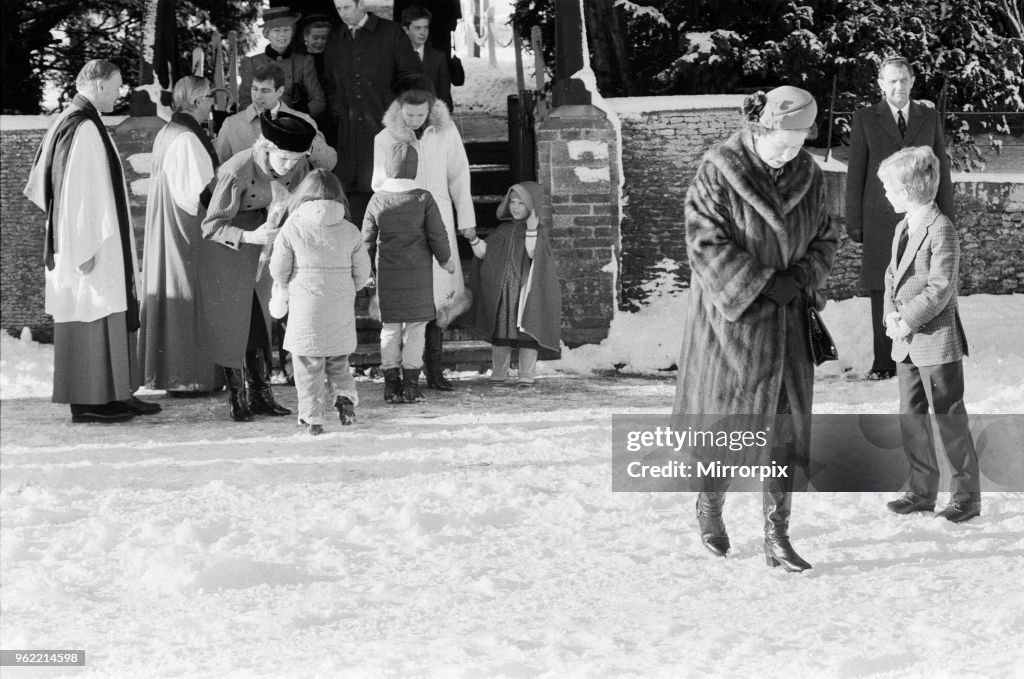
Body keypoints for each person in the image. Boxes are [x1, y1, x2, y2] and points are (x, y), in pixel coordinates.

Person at [674, 87, 838, 572]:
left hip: (788, 323)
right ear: (761, 127)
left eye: (800, 141)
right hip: (732, 327)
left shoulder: (809, 173)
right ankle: (709, 506)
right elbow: (702, 239)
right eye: (784, 141)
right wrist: (762, 283)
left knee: (785, 433)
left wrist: (802, 277)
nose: (792, 151)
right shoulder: (720, 169)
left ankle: (777, 536)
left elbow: (827, 235)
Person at [24, 59, 161, 423]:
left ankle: (115, 393)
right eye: (116, 86)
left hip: (99, 240)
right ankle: (90, 401)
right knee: (93, 311)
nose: (119, 93)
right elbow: (77, 193)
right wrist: (82, 247)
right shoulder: (82, 127)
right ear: (98, 85)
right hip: (90, 245)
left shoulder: (76, 120)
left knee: (106, 310)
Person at [878, 146, 981, 523]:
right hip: (905, 342)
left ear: (907, 190)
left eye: (889, 188)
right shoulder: (902, 227)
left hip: (936, 341)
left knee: (949, 418)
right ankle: (921, 492)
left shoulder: (942, 229)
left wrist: (906, 320)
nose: (885, 195)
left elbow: (940, 289)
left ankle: (966, 498)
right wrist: (891, 314)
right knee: (912, 416)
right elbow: (892, 277)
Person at [201, 111, 317, 422]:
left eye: (296, 160)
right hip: (230, 241)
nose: (290, 166)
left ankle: (262, 393)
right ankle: (237, 397)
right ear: (266, 147)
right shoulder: (237, 170)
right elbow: (210, 227)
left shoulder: (298, 165)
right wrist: (250, 236)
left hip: (268, 238)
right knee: (233, 320)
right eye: (284, 159)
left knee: (259, 319)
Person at [845, 56, 954, 381]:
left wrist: (946, 217)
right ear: (880, 84)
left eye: (903, 80)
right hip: (881, 216)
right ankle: (884, 361)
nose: (898, 87)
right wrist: (855, 221)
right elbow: (856, 172)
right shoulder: (865, 118)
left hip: (922, 216)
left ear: (912, 81)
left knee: (921, 281)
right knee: (884, 285)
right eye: (891, 81)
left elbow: (941, 172)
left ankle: (922, 354)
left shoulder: (929, 117)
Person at [372, 80, 475, 391]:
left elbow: (459, 175)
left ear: (430, 111)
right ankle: (403, 372)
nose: (414, 121)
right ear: (399, 111)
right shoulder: (384, 137)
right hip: (404, 222)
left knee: (440, 295)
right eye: (409, 115)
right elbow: (379, 182)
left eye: (420, 115)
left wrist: (466, 219)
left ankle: (434, 369)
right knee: (409, 297)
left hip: (440, 217)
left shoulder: (446, 132)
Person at [268, 170, 371, 435]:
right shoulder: (350, 229)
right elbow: (362, 274)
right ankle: (346, 400)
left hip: (305, 308)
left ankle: (313, 418)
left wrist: (287, 285)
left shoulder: (293, 226)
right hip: (339, 307)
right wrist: (347, 289)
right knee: (338, 361)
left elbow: (279, 269)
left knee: (308, 366)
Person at [138, 75, 221, 396]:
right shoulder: (187, 138)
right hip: (187, 229)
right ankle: (190, 375)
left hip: (168, 226)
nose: (213, 103)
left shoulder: (169, 133)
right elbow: (199, 191)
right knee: (190, 298)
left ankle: (174, 372)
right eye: (210, 97)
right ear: (197, 101)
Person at [362, 142, 455, 403]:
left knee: (390, 330)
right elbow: (437, 234)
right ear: (414, 169)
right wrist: (446, 260)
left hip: (388, 276)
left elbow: (366, 240)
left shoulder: (377, 199)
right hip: (418, 277)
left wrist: (365, 270)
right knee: (416, 329)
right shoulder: (423, 198)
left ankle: (391, 386)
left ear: (388, 169)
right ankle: (412, 386)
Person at [322, 0, 423, 223]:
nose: (342, 14)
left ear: (361, 4)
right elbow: (329, 83)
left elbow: (411, 77)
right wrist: (337, 111)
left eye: (347, 7)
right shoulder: (336, 39)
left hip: (385, 128)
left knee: (386, 190)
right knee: (352, 197)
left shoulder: (391, 33)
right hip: (348, 136)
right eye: (338, 9)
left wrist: (401, 116)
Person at [467, 181, 562, 386]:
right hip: (504, 291)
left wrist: (531, 229)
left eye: (521, 203)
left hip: (525, 290)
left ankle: (526, 374)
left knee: (527, 328)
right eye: (512, 202)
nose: (515, 207)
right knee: (501, 329)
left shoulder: (538, 231)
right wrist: (473, 239)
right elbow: (486, 254)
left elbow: (532, 252)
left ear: (532, 205)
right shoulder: (503, 230)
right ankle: (500, 371)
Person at [216, 64, 336, 171]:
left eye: (265, 91)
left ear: (280, 91)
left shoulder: (303, 122)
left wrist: (306, 146)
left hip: (292, 194)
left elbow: (328, 164)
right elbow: (219, 169)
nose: (258, 96)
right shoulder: (231, 125)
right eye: (255, 89)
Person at [238, 6, 325, 118]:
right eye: (276, 30)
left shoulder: (303, 62)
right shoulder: (252, 63)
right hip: (262, 127)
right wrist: (263, 119)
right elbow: (245, 101)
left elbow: (318, 100)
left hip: (295, 127)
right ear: (267, 34)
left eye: (287, 29)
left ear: (292, 32)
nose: (282, 34)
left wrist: (299, 117)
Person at [400, 4, 453, 111]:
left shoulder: (438, 58)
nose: (423, 32)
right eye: (417, 28)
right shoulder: (395, 57)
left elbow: (445, 95)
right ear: (406, 29)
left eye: (426, 27)